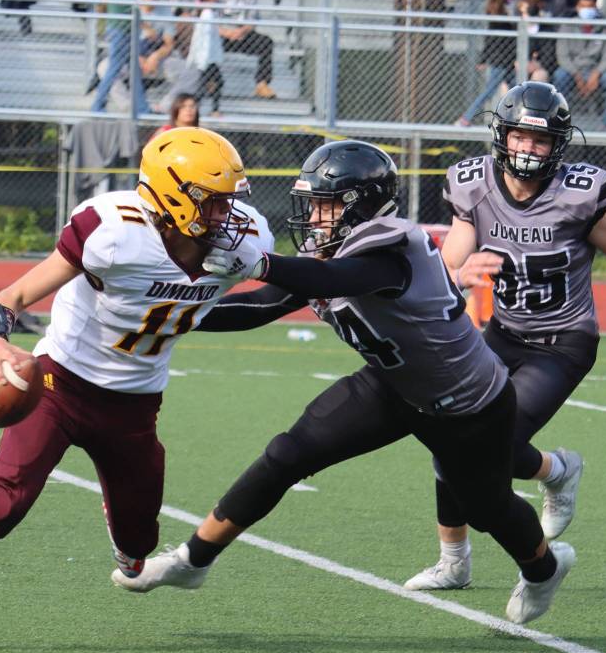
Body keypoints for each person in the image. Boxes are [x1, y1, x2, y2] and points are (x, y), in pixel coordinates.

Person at [114, 139, 578, 627]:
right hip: (394, 384)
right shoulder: (332, 250)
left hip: (467, 403)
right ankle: (194, 560)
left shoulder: (390, 248)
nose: (313, 216)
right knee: (287, 454)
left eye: (325, 203)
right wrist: (169, 316)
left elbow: (336, 278)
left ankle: (544, 569)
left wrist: (260, 263)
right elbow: (261, 306)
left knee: (488, 510)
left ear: (359, 205)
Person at [0, 127, 275, 652]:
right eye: (213, 201)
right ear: (172, 195)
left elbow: (259, 303)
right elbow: (15, 294)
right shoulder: (111, 229)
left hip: (137, 403)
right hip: (58, 383)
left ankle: (126, 542)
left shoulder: (247, 240)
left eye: (229, 201)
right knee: (6, 499)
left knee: (139, 547)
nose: (226, 214)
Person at [404, 82, 606, 591]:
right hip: (501, 332)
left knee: (489, 443)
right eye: (520, 136)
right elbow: (452, 259)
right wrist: (454, 279)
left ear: (558, 144)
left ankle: (557, 471)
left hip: (563, 341)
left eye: (540, 141)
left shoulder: (579, 194)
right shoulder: (474, 186)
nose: (528, 148)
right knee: (448, 433)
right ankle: (455, 559)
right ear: (502, 135)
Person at [551, 0, 606, 131]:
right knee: (559, 75)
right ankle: (561, 122)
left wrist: (597, 73)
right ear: (577, 8)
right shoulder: (567, 26)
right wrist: (576, 74)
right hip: (573, 71)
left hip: (596, 71)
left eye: (590, 7)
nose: (586, 10)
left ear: (595, 9)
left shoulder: (603, 28)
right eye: (583, 6)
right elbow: (562, 57)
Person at [456, 0, 516, 126]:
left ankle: (514, 119)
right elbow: (492, 40)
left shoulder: (501, 13)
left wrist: (483, 59)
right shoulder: (500, 15)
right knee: (488, 92)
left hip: (506, 60)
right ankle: (466, 118)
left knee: (516, 89)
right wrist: (483, 59)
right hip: (502, 61)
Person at [91, 0, 151, 114]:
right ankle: (98, 104)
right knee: (114, 68)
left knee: (135, 69)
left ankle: (142, 107)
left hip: (129, 28)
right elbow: (136, 5)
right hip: (120, 29)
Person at [219, 0, 277, 99]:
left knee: (266, 42)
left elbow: (252, 21)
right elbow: (206, 18)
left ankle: (261, 84)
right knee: (206, 42)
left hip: (243, 35)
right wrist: (226, 32)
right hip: (220, 35)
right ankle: (210, 82)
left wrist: (241, 31)